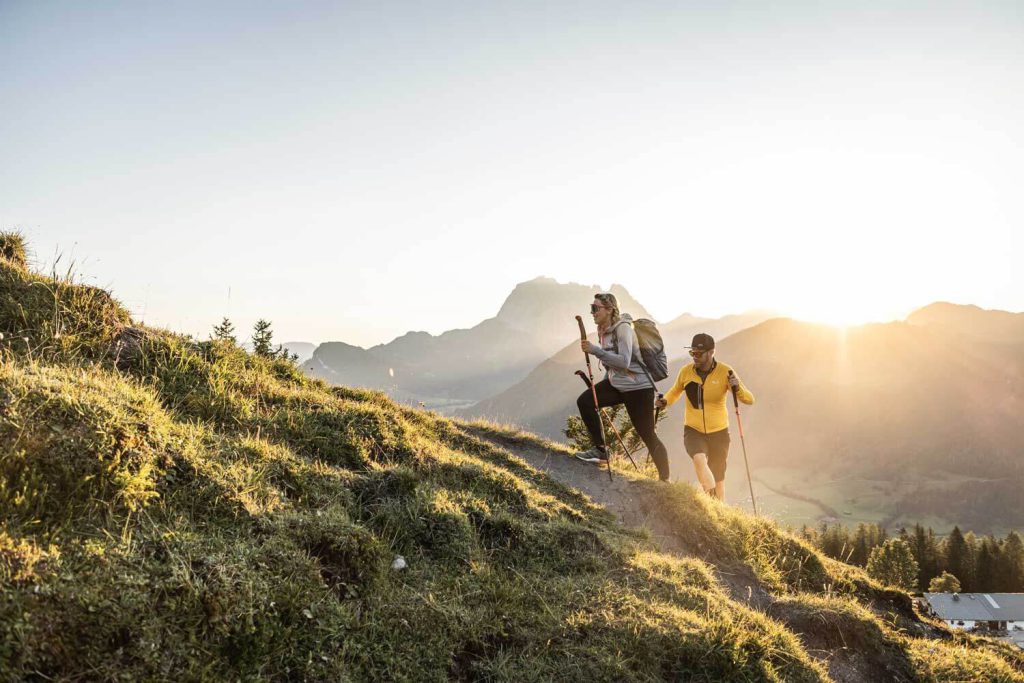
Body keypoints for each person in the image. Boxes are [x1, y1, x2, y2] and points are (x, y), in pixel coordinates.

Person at [574, 293, 670, 481]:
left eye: (595, 308)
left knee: (647, 434)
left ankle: (665, 480)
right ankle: (601, 451)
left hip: (638, 388)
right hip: (617, 384)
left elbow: (625, 362)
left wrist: (595, 350)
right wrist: (604, 381)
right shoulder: (603, 331)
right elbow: (612, 364)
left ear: (609, 310)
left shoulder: (624, 329)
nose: (592, 312)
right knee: (585, 401)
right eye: (591, 308)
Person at [656, 333, 754, 500]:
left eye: (698, 354)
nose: (695, 357)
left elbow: (749, 399)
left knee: (719, 477)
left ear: (711, 352)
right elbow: (675, 391)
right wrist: (665, 401)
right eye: (692, 353)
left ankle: (719, 510)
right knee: (699, 459)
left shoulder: (725, 371)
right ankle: (711, 501)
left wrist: (737, 388)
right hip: (693, 429)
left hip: (719, 432)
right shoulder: (686, 372)